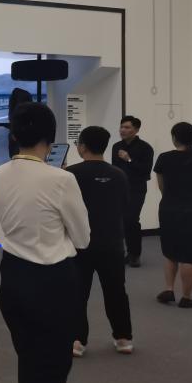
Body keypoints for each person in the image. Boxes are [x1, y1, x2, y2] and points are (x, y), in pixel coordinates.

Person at [0, 103, 90, 383]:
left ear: (14, 135)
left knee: (31, 371)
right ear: (50, 137)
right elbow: (82, 238)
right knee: (52, 379)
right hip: (52, 283)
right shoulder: (60, 179)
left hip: (13, 279)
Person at [66, 126, 134, 356]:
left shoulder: (70, 174)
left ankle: (77, 340)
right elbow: (125, 206)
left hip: (79, 243)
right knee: (116, 291)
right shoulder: (119, 174)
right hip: (112, 242)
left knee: (77, 293)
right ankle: (123, 338)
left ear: (82, 147)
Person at [153, 121, 192, 308]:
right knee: (189, 255)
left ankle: (169, 289)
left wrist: (171, 199)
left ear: (174, 137)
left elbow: (162, 186)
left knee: (170, 252)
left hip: (168, 208)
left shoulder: (164, 158)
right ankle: (186, 297)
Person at [111, 115, 154, 267]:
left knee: (131, 220)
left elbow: (145, 171)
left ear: (136, 130)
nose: (122, 130)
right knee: (122, 222)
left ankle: (135, 254)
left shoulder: (145, 148)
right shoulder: (116, 146)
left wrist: (129, 159)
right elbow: (115, 168)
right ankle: (126, 253)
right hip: (119, 189)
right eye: (121, 127)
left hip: (136, 189)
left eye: (127, 127)